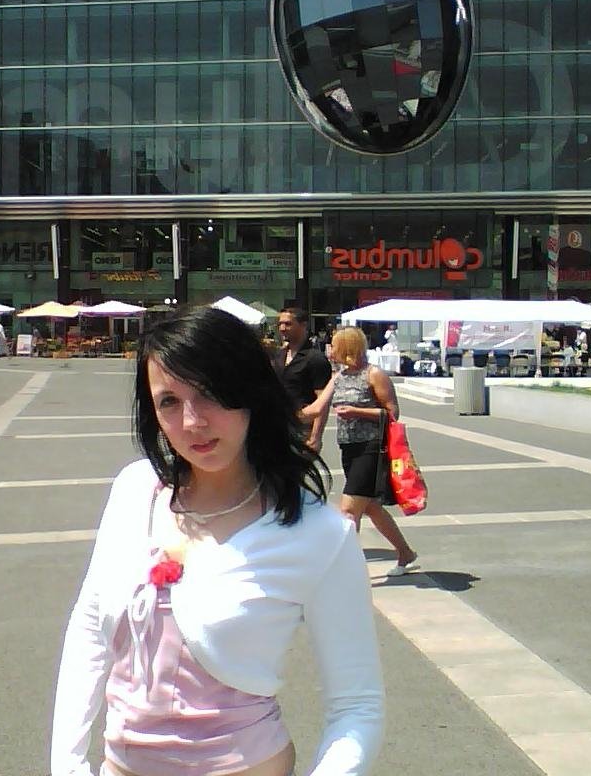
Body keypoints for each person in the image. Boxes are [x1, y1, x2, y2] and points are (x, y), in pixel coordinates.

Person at [51, 307, 384, 776]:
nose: (193, 422)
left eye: (210, 394)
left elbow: (356, 705)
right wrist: (67, 765)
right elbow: (90, 627)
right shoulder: (135, 490)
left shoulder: (319, 533)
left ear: (250, 392)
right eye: (169, 401)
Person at [302, 327, 419, 579]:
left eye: (334, 345)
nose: (330, 350)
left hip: (372, 447)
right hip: (349, 447)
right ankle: (405, 552)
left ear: (348, 347)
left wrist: (357, 412)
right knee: (371, 507)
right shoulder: (339, 376)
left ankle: (346, 571)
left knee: (348, 511)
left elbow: (392, 413)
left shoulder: (374, 374)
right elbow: (315, 409)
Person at [274, 307, 332, 453]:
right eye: (280, 324)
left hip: (303, 428)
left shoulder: (315, 359)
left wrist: (316, 436)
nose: (282, 328)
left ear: (303, 325)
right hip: (278, 424)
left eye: (288, 324)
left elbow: (322, 401)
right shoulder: (279, 355)